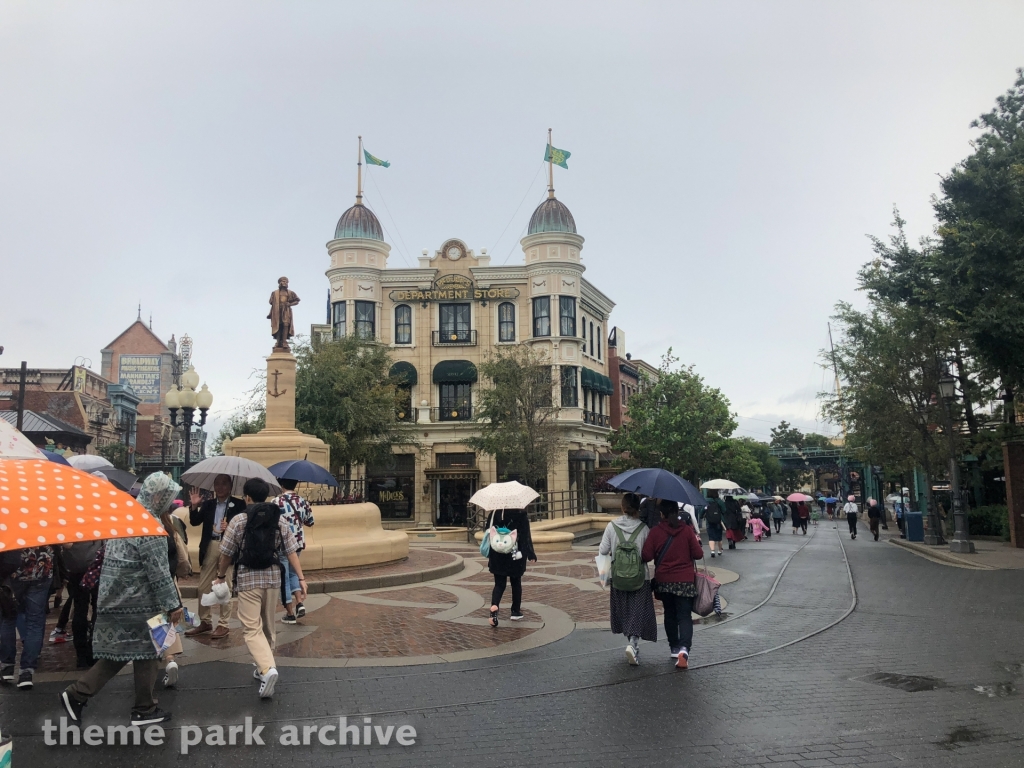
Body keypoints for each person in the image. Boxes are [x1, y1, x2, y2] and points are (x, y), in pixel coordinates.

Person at [61, 473, 184, 725]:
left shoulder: (127, 519)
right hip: (139, 602)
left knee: (126, 652)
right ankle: (142, 709)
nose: (170, 502)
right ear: (159, 496)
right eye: (168, 496)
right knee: (149, 648)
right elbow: (159, 573)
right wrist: (174, 604)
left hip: (115, 598)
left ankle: (86, 694)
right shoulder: (150, 527)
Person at [213, 478, 306, 700]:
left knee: (251, 627)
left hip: (247, 579)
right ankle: (263, 666)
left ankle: (267, 668)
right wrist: (301, 578)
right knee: (268, 625)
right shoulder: (279, 519)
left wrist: (219, 576)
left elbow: (225, 553)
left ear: (247, 497)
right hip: (273, 578)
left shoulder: (238, 520)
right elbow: (291, 550)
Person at [642, 499, 704, 669]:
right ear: (677, 512)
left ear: (661, 514)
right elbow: (698, 554)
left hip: (664, 581)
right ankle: (685, 649)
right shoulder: (686, 530)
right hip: (684, 581)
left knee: (669, 614)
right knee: (684, 616)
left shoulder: (655, 532)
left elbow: (646, 555)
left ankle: (674, 648)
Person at [598, 493, 657, 665]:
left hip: (618, 577)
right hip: (640, 577)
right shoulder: (644, 529)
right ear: (638, 508)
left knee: (624, 609)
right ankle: (633, 644)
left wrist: (604, 576)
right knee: (638, 610)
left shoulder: (611, 526)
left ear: (622, 507)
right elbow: (648, 555)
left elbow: (603, 550)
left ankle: (631, 643)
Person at [187, 474, 245, 639]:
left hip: (228, 545)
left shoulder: (238, 504)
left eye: (224, 484)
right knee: (203, 586)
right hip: (211, 545)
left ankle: (223, 624)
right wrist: (194, 506)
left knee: (224, 586)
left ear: (230, 486)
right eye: (217, 484)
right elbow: (195, 522)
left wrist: (231, 524)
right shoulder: (208, 504)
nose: (220, 487)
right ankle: (205, 621)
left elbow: (243, 525)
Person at [1, 546, 55, 689]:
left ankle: (7, 666)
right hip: (42, 570)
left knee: (8, 617)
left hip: (14, 571)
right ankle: (26, 672)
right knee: (35, 622)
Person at [486, 507, 537, 626]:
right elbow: (525, 536)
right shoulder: (521, 514)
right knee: (516, 582)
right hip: (515, 554)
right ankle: (515, 611)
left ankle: (494, 606)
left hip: (497, 554)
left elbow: (487, 530)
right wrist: (530, 554)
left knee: (499, 584)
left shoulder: (494, 513)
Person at [274, 478, 315, 623]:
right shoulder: (302, 501)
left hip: (282, 544)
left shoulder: (276, 502)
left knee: (283, 577)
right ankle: (299, 602)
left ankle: (290, 613)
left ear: (282, 485)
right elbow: (310, 522)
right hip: (298, 543)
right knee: (293, 573)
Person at [56, 540, 102, 669]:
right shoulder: (98, 520)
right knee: (97, 608)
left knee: (79, 609)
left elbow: (66, 544)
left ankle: (81, 655)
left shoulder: (70, 521)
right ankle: (94, 649)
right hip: (97, 566)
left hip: (76, 569)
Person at [704, 490, 725, 558]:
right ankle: (719, 550)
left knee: (711, 537)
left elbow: (702, 510)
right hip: (718, 521)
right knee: (719, 537)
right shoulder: (719, 501)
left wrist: (702, 516)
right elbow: (724, 510)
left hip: (709, 521)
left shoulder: (706, 501)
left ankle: (712, 551)